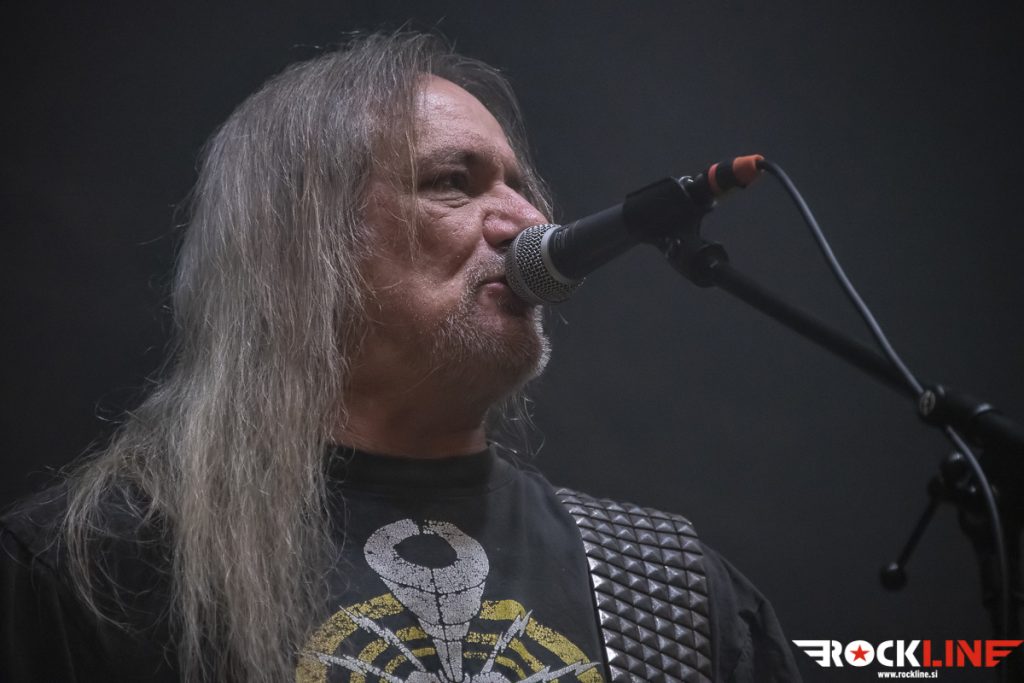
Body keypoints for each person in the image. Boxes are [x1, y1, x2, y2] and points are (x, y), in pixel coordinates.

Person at [0, 32, 801, 683]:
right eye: (455, 181)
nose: (530, 223)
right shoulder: (97, 567)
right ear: (301, 246)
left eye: (522, 187)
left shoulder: (668, 589)